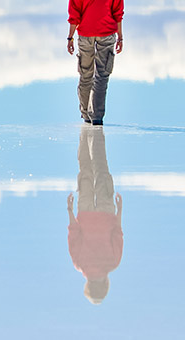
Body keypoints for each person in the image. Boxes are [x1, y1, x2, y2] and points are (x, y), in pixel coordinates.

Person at [67, 0, 124, 125]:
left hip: (84, 34)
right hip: (107, 34)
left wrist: (70, 37)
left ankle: (85, 114)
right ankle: (97, 117)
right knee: (101, 76)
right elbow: (118, 13)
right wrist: (121, 37)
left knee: (85, 74)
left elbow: (74, 13)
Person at [67, 124, 123, 304]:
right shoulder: (79, 264)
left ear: (105, 285)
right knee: (85, 170)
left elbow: (118, 234)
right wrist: (69, 210)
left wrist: (120, 210)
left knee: (100, 167)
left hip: (106, 212)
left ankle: (94, 130)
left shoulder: (113, 263)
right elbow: (74, 234)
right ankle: (86, 131)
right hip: (85, 212)